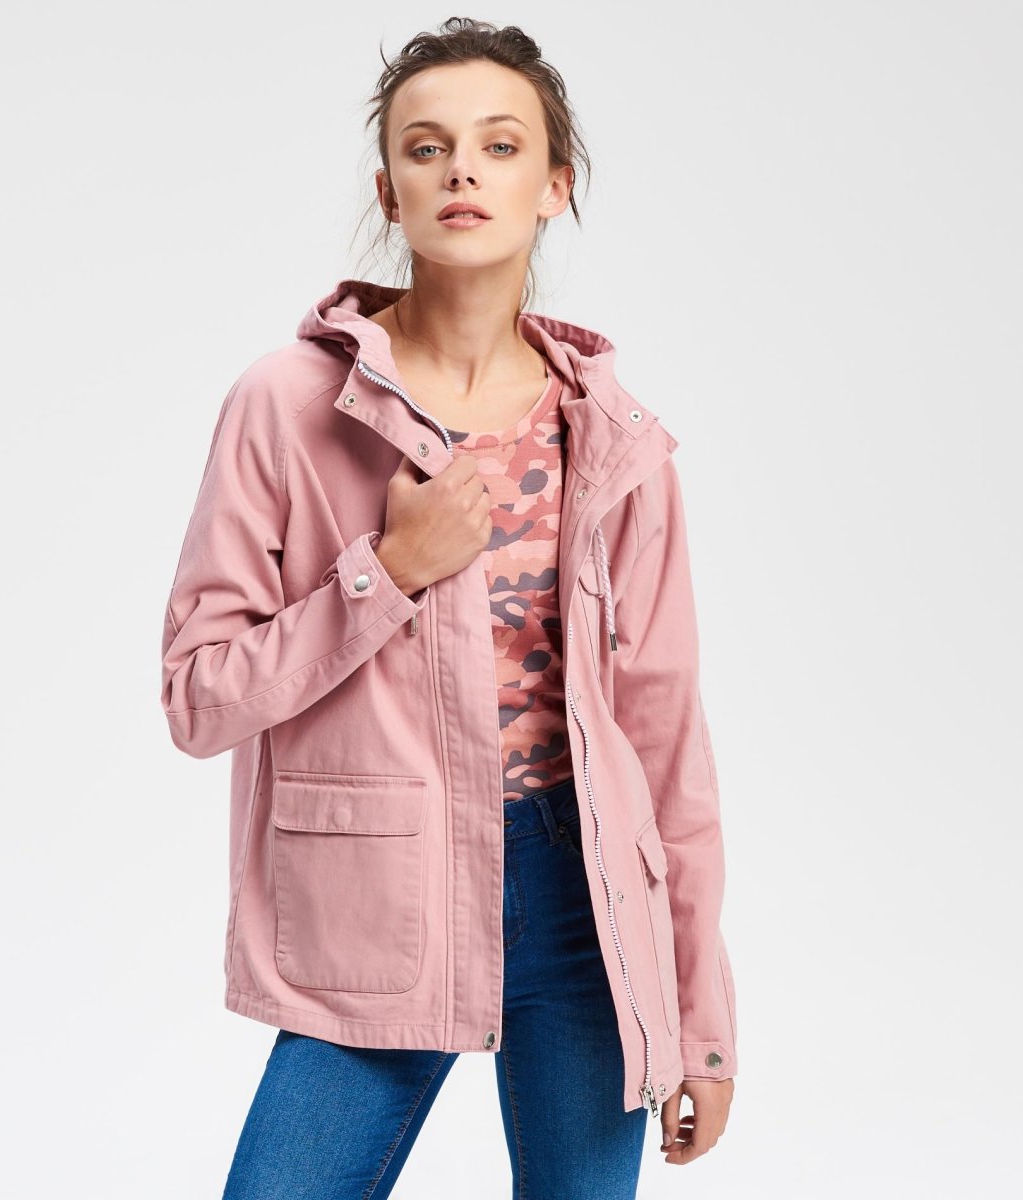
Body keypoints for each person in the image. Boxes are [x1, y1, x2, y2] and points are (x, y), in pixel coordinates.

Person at [160, 17, 738, 1199]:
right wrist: (386, 572)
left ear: (553, 186)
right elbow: (197, 697)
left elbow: (667, 740)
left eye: (499, 145)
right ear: (391, 190)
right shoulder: (286, 405)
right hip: (381, 900)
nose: (461, 169)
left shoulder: (615, 440)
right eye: (426, 148)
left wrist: (702, 1014)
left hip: (586, 905)